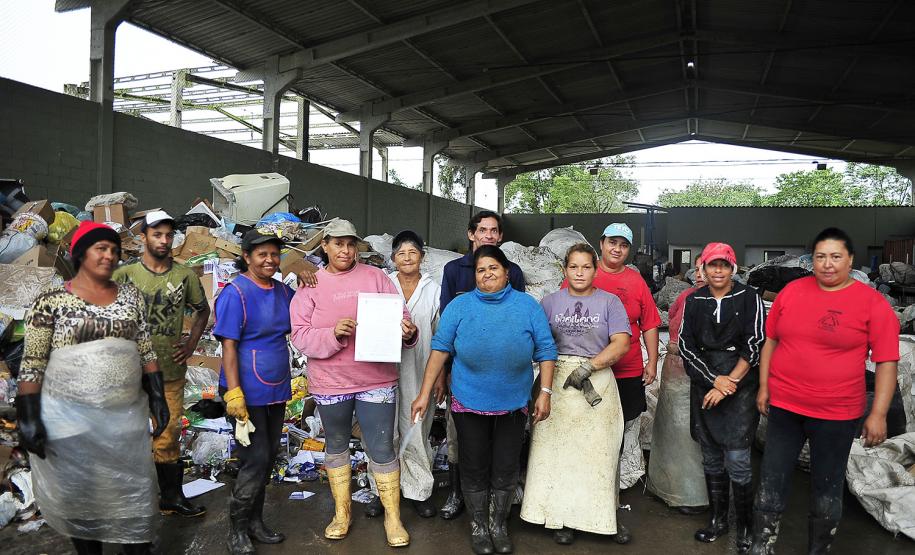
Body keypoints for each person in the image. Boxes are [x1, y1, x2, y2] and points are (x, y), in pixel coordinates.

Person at [17, 221, 169, 555]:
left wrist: (157, 394)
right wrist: (28, 416)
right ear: (81, 253)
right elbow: (33, 361)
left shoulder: (131, 297)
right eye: (101, 248)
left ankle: (135, 548)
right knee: (81, 496)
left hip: (123, 421)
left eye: (115, 250)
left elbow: (145, 348)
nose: (110, 255)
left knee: (132, 491)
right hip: (68, 421)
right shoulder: (50, 302)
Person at [750, 228, 899, 554]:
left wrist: (878, 413)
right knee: (771, 480)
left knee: (827, 487)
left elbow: (887, 362)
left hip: (837, 414)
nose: (827, 264)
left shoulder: (872, 304)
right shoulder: (791, 292)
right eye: (821, 257)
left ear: (850, 260)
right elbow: (771, 341)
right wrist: (764, 386)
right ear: (811, 260)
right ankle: (761, 545)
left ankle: (819, 548)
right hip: (785, 407)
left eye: (836, 257)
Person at [411, 245, 557, 555]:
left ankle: (498, 524)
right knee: (474, 465)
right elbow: (440, 349)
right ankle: (478, 525)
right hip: (468, 402)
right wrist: (424, 394)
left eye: (493, 268)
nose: (487, 273)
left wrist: (544, 393)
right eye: (480, 270)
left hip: (513, 403)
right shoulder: (461, 306)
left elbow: (546, 351)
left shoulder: (527, 306)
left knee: (505, 466)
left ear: (506, 272)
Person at [290, 219, 417, 548]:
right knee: (336, 444)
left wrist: (408, 331)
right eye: (338, 244)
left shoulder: (376, 278)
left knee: (382, 447)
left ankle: (393, 517)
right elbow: (300, 335)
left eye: (350, 244)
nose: (345, 250)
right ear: (325, 246)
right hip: (330, 382)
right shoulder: (311, 283)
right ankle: (342, 512)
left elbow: (401, 317)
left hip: (375, 378)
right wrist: (332, 334)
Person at [520, 243, 631, 546]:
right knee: (556, 454)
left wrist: (590, 366)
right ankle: (560, 518)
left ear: (595, 270)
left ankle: (600, 518)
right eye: (574, 267)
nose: (580, 272)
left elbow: (621, 343)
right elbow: (538, 343)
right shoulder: (550, 302)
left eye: (586, 267)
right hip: (555, 381)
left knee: (598, 454)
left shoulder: (610, 303)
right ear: (565, 270)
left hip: (596, 382)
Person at [561, 222, 660, 544]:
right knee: (578, 441)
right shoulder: (583, 273)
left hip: (625, 372)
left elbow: (649, 323)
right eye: (612, 243)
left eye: (624, 245)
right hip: (583, 373)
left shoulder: (635, 281)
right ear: (601, 244)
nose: (617, 249)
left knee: (613, 443)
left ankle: (608, 511)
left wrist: (651, 360)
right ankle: (571, 515)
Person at [114, 210, 210, 518]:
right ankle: (126, 503)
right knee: (125, 435)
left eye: (169, 235)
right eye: (157, 234)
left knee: (167, 433)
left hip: (169, 370)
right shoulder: (125, 275)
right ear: (143, 237)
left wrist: (192, 342)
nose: (164, 240)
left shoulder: (184, 275)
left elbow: (202, 310)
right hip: (129, 373)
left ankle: (170, 498)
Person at [437, 210, 526, 520]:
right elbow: (446, 330)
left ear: (500, 236)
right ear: (471, 234)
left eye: (494, 231)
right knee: (459, 435)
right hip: (462, 374)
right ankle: (456, 492)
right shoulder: (453, 271)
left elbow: (518, 320)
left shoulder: (512, 271)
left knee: (499, 440)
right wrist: (442, 374)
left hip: (503, 378)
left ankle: (493, 500)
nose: (489, 235)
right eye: (483, 230)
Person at [679, 243, 765, 552]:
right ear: (702, 267)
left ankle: (744, 526)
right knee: (711, 454)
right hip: (706, 378)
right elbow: (686, 346)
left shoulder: (749, 297)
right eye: (712, 265)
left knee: (738, 458)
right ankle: (717, 520)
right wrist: (715, 380)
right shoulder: (694, 300)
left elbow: (755, 344)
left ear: (734, 268)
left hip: (741, 383)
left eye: (724, 265)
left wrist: (730, 383)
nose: (718, 270)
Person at [214, 230, 294, 554]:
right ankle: (237, 530)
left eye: (274, 255)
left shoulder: (282, 291)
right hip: (245, 388)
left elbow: (303, 319)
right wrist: (234, 393)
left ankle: (256, 522)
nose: (269, 260)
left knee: (269, 456)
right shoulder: (236, 292)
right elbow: (228, 347)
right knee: (254, 459)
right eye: (261, 254)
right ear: (247, 257)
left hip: (276, 386)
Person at [385, 229, 442, 518]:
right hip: (383, 367)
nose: (407, 257)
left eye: (412, 252)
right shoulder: (383, 284)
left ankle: (419, 490)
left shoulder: (434, 289)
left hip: (421, 367)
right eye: (401, 253)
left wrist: (441, 376)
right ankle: (383, 491)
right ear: (393, 258)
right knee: (384, 431)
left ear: (422, 256)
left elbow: (441, 335)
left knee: (417, 427)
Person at [647, 255, 708, 514]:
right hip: (676, 367)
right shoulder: (687, 296)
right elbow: (672, 322)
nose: (702, 274)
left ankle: (692, 495)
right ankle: (665, 487)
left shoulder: (725, 301)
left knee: (693, 432)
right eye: (699, 268)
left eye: (708, 267)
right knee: (672, 426)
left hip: (699, 370)